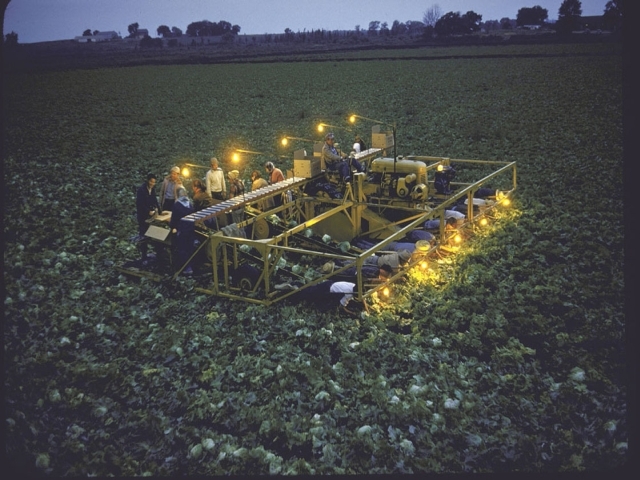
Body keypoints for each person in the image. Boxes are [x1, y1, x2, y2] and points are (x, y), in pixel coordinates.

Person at [170, 187, 195, 274]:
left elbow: (174, 218)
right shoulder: (190, 204)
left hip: (183, 229)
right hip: (191, 228)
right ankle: (190, 266)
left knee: (183, 249)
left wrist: (173, 227)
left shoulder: (177, 205)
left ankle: (186, 267)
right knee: (190, 248)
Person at [135, 173, 160, 259]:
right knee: (143, 235)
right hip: (142, 216)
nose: (152, 184)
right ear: (148, 181)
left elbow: (154, 200)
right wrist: (148, 211)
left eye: (154, 182)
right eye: (151, 182)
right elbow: (140, 204)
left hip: (150, 214)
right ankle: (144, 255)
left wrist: (159, 210)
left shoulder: (152, 189)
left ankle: (157, 252)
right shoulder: (141, 190)